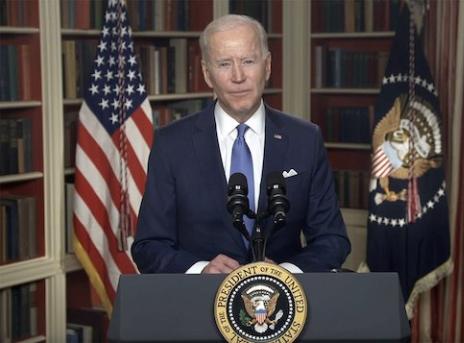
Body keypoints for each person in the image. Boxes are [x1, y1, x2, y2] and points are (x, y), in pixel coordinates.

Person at [131, 14, 350, 274]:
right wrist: (200, 270)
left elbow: (332, 240)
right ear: (207, 73)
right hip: (200, 303)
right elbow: (148, 246)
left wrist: (286, 273)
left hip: (285, 305)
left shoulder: (305, 139)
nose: (238, 76)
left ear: (267, 66)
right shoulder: (171, 144)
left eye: (248, 61)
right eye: (224, 64)